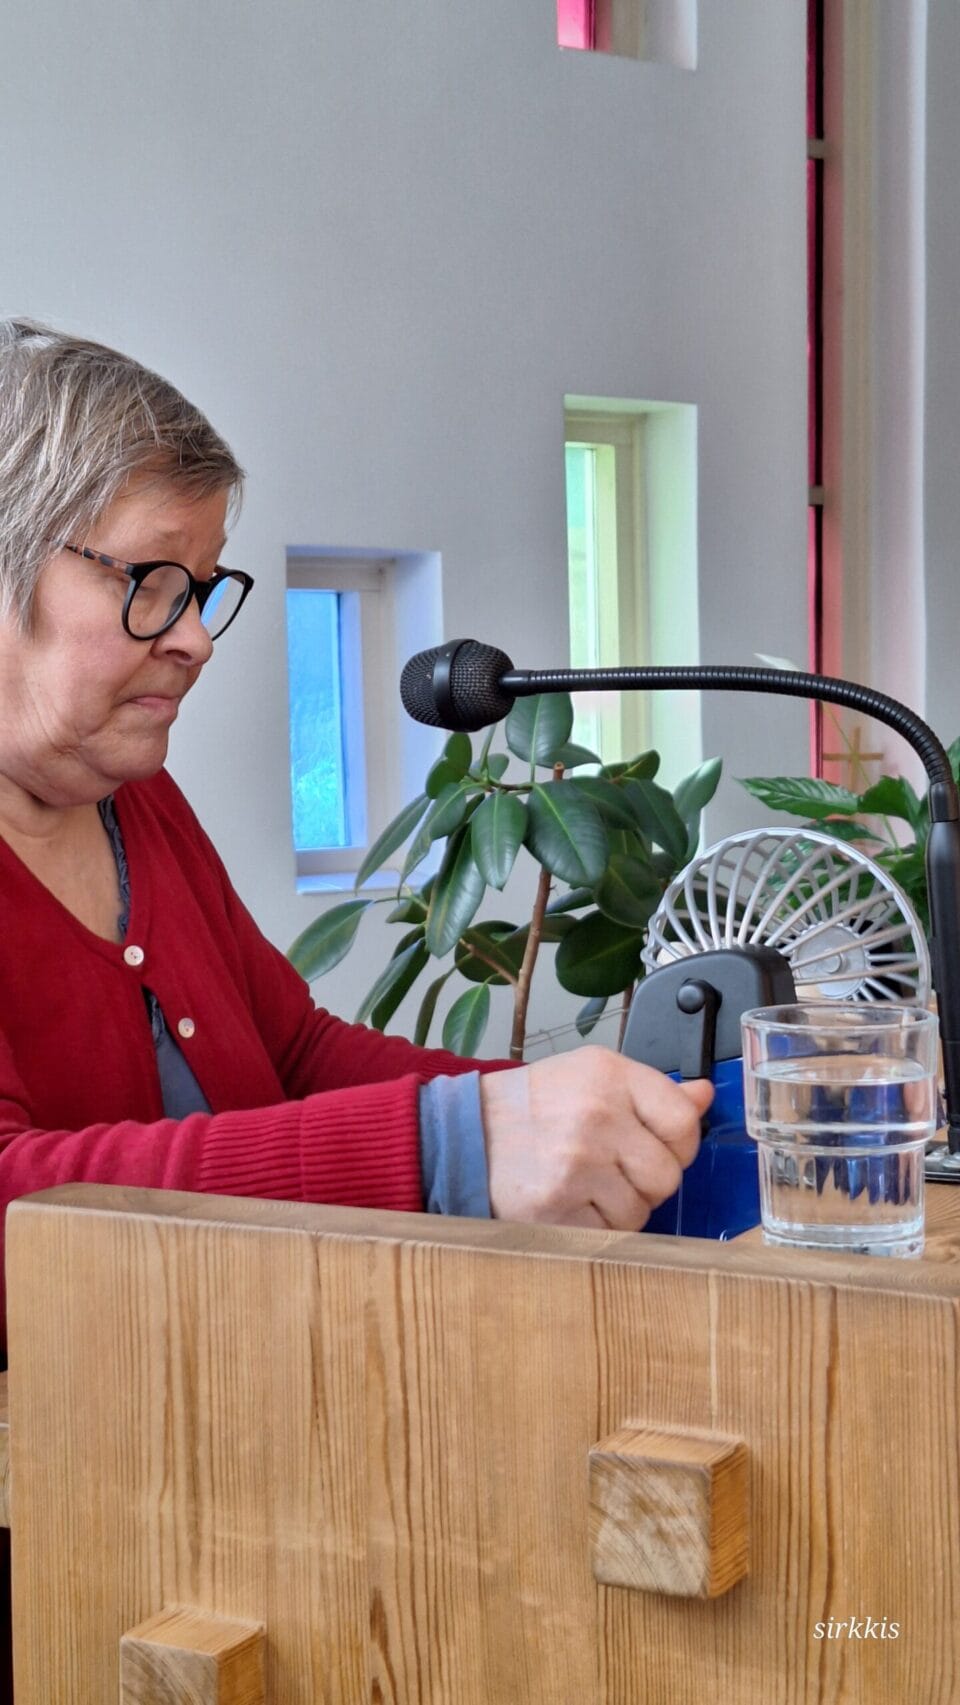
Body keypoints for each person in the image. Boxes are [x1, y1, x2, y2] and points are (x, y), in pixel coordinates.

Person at [0, 319, 713, 1339]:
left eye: (202, 589)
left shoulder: (138, 803)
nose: (196, 637)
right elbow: (13, 1208)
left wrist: (588, 1111)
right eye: (151, 584)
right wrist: (453, 1144)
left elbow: (291, 1055)